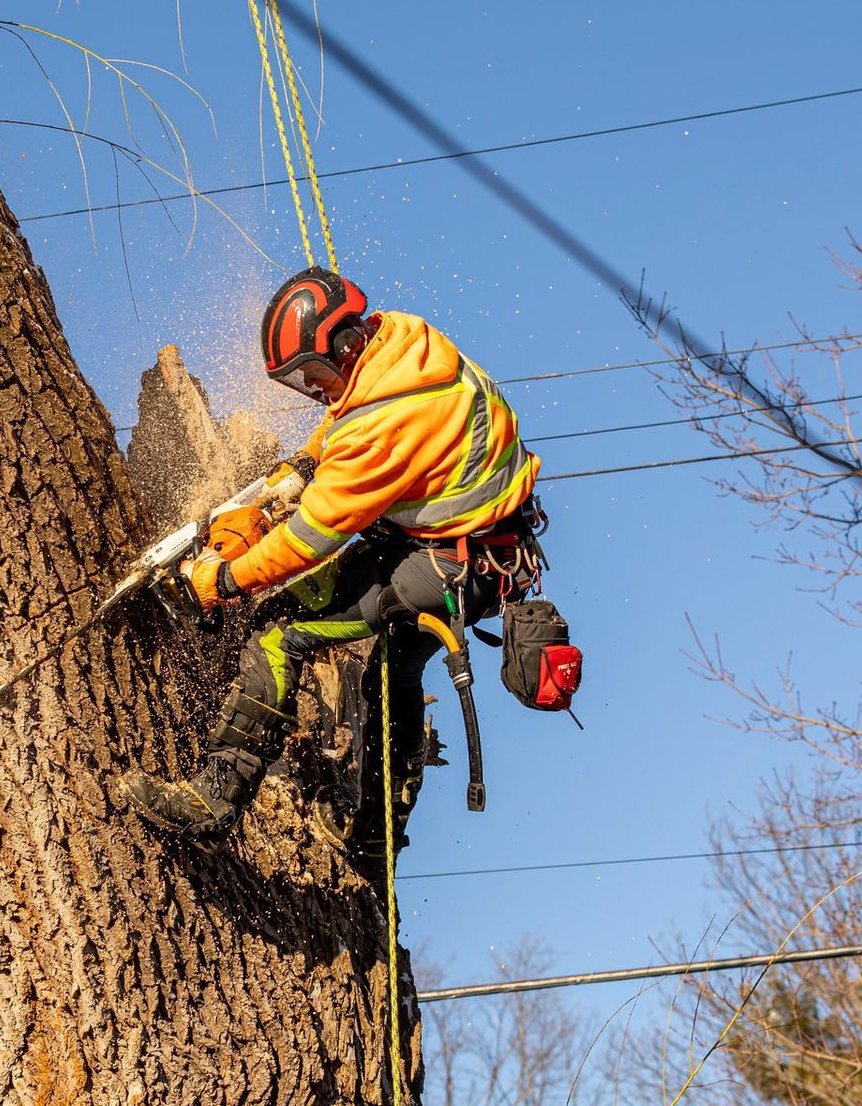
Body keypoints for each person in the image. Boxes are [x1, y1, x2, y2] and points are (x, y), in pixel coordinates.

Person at [117, 268, 545, 871]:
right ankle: (377, 838)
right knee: (392, 674)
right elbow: (352, 410)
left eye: (313, 375)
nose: (312, 390)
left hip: (449, 564)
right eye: (299, 383)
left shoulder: (382, 430)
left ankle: (214, 803)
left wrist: (222, 581)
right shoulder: (402, 338)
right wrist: (306, 462)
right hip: (480, 546)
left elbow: (308, 540)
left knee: (279, 632)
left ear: (343, 343)